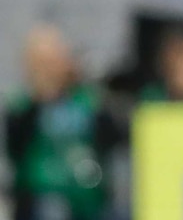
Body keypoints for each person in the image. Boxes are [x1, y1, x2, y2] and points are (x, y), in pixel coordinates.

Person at [4, 24, 117, 220]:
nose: (50, 69)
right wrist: (41, 98)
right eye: (43, 63)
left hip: (89, 202)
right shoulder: (21, 107)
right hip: (42, 202)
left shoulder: (89, 102)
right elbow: (16, 147)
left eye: (54, 60)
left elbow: (114, 136)